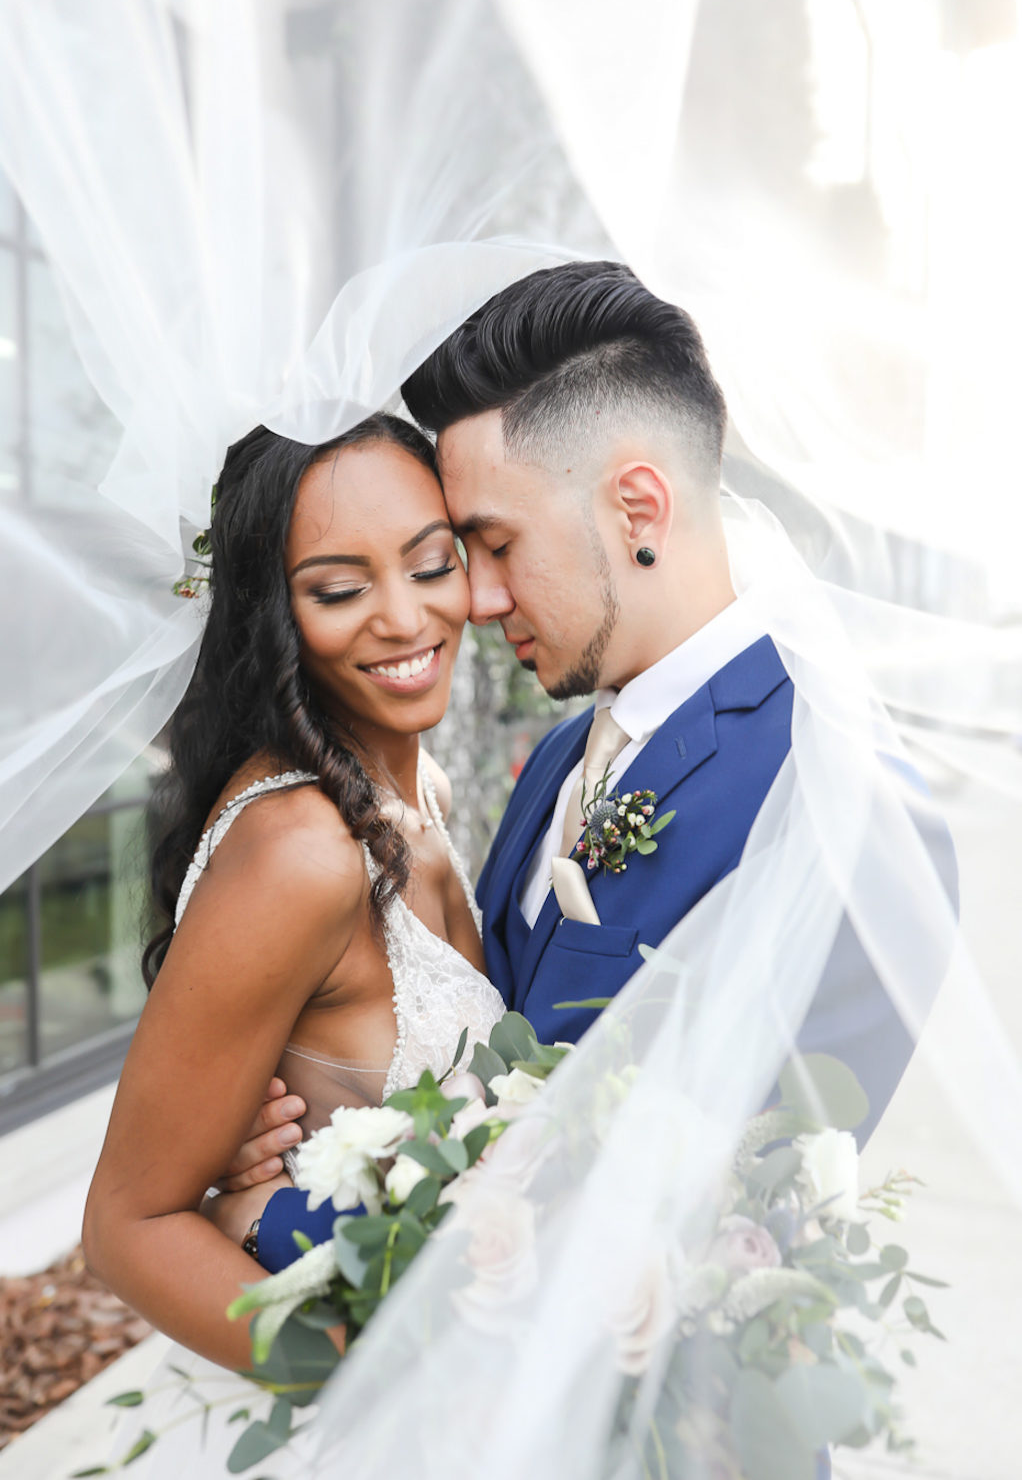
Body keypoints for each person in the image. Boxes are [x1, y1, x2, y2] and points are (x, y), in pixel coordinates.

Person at [241, 262, 956, 1295]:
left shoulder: (853, 806)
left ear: (636, 508)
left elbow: (705, 1225)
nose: (475, 602)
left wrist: (262, 1212)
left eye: (494, 543)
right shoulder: (559, 762)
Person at [81, 413, 505, 1368]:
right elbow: (126, 1227)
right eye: (341, 589)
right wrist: (380, 1386)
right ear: (273, 613)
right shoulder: (304, 854)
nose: (403, 618)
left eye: (433, 566)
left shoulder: (420, 792)